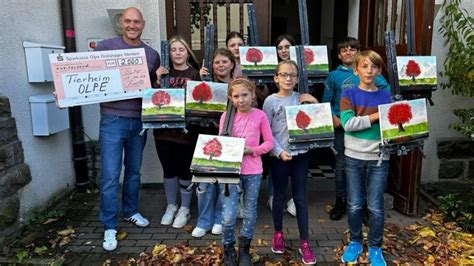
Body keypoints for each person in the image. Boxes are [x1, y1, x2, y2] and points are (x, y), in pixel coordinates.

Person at [95, 7, 160, 252]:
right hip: (112, 118)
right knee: (110, 176)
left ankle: (131, 211)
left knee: (133, 172)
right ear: (121, 23)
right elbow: (84, 76)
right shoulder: (105, 47)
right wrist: (64, 93)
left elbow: (153, 87)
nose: (132, 25)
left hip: (140, 121)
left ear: (143, 25)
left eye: (137, 22)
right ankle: (109, 225)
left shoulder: (152, 54)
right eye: (128, 21)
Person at [322, 37, 390, 221]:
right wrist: (334, 118)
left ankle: (368, 206)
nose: (348, 52)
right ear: (339, 55)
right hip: (342, 126)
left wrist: (374, 114)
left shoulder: (370, 71)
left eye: (352, 49)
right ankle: (341, 201)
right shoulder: (334, 76)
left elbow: (385, 94)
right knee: (342, 166)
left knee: (368, 169)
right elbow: (326, 100)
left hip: (370, 127)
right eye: (344, 50)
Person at [262, 60, 318, 265]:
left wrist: (313, 101)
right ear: (276, 78)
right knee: (278, 197)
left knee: (300, 198)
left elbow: (317, 123)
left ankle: (305, 242)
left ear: (297, 78)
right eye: (283, 75)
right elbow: (266, 132)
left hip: (301, 155)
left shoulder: (302, 99)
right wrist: (278, 152)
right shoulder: (270, 102)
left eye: (292, 75)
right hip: (280, 157)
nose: (288, 78)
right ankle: (278, 233)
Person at [339, 50, 391, 266]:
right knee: (354, 204)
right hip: (353, 156)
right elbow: (348, 124)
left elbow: (392, 126)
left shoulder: (386, 96)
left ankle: (376, 247)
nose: (369, 71)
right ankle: (356, 242)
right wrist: (377, 116)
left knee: (376, 206)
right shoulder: (348, 94)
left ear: (379, 71)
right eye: (365, 66)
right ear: (356, 70)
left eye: (374, 67)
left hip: (379, 156)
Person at [219, 78, 273, 265]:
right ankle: (228, 249)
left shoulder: (260, 116)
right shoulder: (226, 117)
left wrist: (253, 151)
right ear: (230, 98)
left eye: (244, 95)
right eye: (236, 96)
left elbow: (269, 143)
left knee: (249, 212)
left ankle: (244, 249)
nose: (241, 99)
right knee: (228, 216)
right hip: (231, 171)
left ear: (252, 95)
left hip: (253, 170)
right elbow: (221, 143)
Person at [153, 36, 200, 229]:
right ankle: (172, 205)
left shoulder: (195, 74)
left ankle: (185, 208)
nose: (178, 53)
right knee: (169, 169)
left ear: (188, 52)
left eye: (182, 49)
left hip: (187, 132)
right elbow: (151, 99)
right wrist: (156, 80)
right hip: (163, 131)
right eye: (174, 49)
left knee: (184, 169)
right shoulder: (162, 73)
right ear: (168, 53)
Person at [192, 48, 236, 238]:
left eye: (224, 62)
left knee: (223, 184)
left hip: (228, 139)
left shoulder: (237, 87)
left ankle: (218, 219)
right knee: (204, 184)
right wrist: (200, 80)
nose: (220, 65)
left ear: (232, 64)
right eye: (217, 62)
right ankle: (203, 221)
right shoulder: (206, 84)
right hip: (205, 138)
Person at [266, 34, 298, 217]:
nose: (284, 50)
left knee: (296, 171)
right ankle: (273, 197)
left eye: (288, 47)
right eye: (280, 47)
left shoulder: (298, 84)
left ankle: (292, 199)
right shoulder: (271, 99)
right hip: (277, 135)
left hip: (295, 140)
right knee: (276, 169)